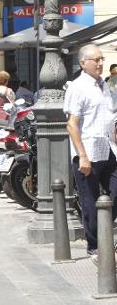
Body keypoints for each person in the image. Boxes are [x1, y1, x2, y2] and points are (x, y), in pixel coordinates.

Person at [63, 44, 117, 262]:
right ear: (83, 63)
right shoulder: (78, 87)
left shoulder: (105, 87)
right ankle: (95, 245)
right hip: (87, 151)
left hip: (109, 149)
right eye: (96, 60)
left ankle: (104, 230)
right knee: (90, 199)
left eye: (102, 59)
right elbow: (72, 125)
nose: (100, 63)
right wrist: (82, 155)